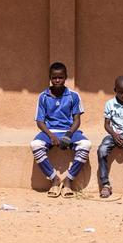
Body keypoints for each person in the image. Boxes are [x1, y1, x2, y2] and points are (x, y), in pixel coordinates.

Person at [31, 62, 91, 197]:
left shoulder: (73, 96)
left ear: (66, 78)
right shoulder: (43, 96)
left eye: (61, 77)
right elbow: (40, 121)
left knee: (86, 145)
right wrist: (51, 135)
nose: (57, 80)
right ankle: (54, 179)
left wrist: (68, 135)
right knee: (35, 145)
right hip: (49, 131)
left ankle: (68, 180)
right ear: (50, 78)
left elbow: (77, 120)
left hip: (69, 130)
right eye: (54, 78)